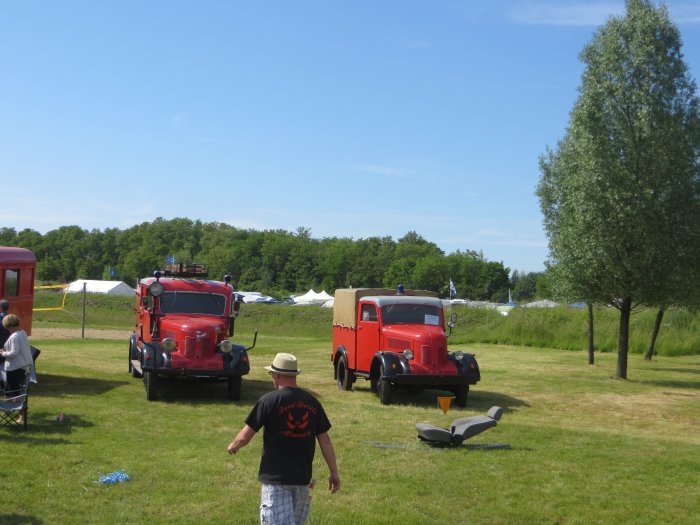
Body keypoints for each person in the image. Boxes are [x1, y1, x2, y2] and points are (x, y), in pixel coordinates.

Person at [228, 352, 340, 525]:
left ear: (277, 375)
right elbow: (325, 441)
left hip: (275, 481)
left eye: (272, 374)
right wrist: (334, 473)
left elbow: (245, 436)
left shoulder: (268, 401)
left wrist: (234, 446)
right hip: (302, 480)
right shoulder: (312, 402)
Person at [0, 313, 34, 398]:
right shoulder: (22, 332)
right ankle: (17, 407)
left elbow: (13, 353)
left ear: (10, 326)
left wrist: (3, 353)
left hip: (15, 368)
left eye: (7, 328)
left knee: (12, 392)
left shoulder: (14, 337)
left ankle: (11, 406)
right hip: (21, 366)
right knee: (16, 390)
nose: (7, 330)